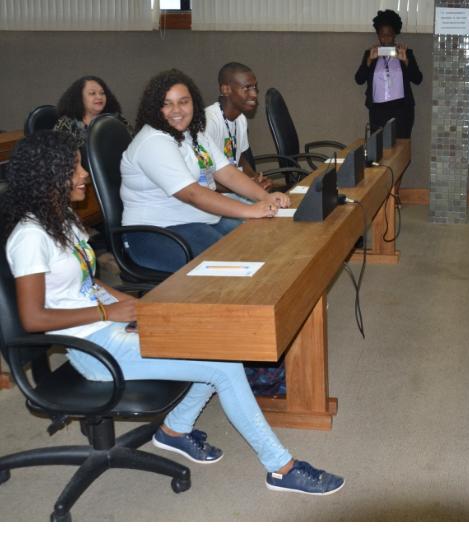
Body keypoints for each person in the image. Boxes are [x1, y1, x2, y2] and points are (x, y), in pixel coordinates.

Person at [1, 130, 344, 495]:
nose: (84, 174)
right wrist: (108, 313)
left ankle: (175, 429)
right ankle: (281, 468)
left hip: (108, 327)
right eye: (74, 168)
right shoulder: (30, 237)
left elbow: (86, 282)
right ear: (49, 175)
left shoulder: (62, 220)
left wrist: (137, 307)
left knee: (216, 341)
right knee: (223, 367)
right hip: (94, 351)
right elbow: (33, 319)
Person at [121, 69, 290, 273]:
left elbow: (227, 172)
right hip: (154, 234)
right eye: (167, 103)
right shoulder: (153, 141)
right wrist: (250, 210)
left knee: (260, 241)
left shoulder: (194, 134)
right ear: (155, 108)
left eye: (183, 102)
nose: (177, 110)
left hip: (198, 220)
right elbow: (192, 194)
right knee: (238, 259)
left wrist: (265, 197)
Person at [354, 9, 423, 139]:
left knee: (401, 147)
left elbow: (418, 79)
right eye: (382, 34)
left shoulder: (406, 53)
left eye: (389, 34)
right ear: (378, 35)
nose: (385, 38)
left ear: (395, 34)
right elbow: (359, 79)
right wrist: (369, 61)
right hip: (377, 111)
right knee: (378, 147)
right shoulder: (370, 54)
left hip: (401, 110)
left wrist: (406, 61)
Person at [203, 62, 271, 194]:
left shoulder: (240, 119)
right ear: (226, 90)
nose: (254, 94)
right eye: (247, 88)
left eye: (255, 87)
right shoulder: (208, 122)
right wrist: (247, 188)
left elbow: (239, 159)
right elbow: (204, 177)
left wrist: (256, 179)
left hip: (233, 190)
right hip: (213, 196)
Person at [53, 75, 132, 148]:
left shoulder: (117, 120)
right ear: (79, 98)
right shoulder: (66, 123)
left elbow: (133, 147)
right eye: (92, 93)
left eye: (102, 93)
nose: (99, 97)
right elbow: (57, 152)